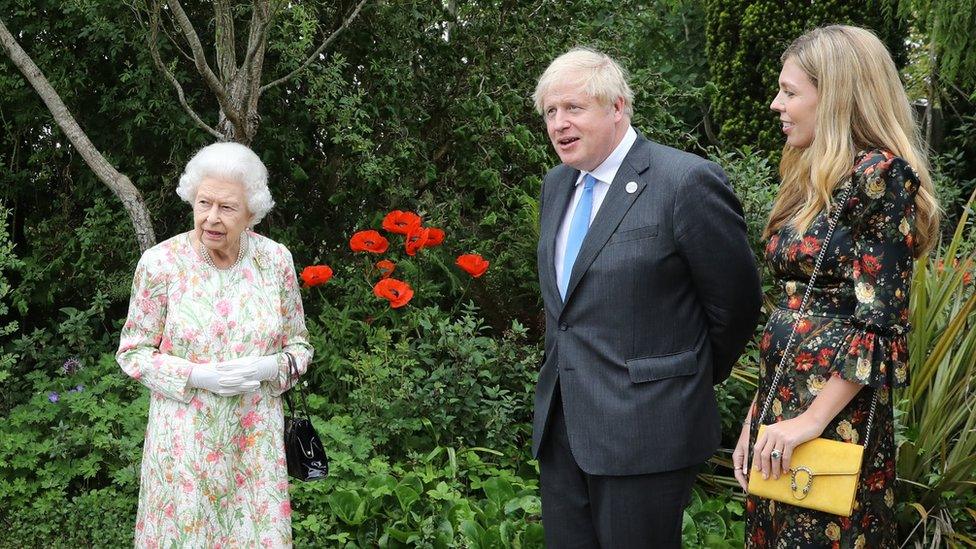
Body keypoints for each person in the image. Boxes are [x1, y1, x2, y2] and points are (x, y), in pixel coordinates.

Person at [531, 47, 762, 547]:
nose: (559, 123)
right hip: (563, 429)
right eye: (550, 112)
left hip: (646, 432)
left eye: (573, 108)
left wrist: (679, 381)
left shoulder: (684, 182)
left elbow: (737, 306)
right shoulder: (556, 186)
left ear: (617, 107)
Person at [733, 25, 940, 548]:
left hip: (833, 416)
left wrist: (808, 421)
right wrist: (759, 415)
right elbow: (792, 310)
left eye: (791, 91)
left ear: (837, 96)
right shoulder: (812, 174)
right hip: (783, 410)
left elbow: (880, 325)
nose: (777, 104)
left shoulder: (881, 177)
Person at [116, 142, 313, 547]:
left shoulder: (275, 261)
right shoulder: (160, 263)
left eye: (227, 208)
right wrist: (195, 375)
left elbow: (299, 348)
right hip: (183, 446)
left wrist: (266, 369)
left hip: (254, 445)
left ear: (251, 213)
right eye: (204, 203)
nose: (211, 218)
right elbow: (132, 352)